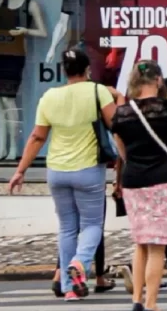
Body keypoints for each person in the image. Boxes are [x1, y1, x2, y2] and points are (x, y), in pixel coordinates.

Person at [9, 48, 122, 302]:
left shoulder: (50, 96)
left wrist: (20, 170)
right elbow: (117, 125)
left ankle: (71, 288)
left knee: (67, 228)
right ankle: (80, 264)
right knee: (92, 224)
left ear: (64, 71)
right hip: (88, 170)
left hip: (57, 171)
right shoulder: (98, 91)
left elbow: (37, 137)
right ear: (87, 70)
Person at [111, 60, 167, 311]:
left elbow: (123, 153)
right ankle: (151, 303)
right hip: (164, 180)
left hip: (134, 181)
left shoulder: (122, 114)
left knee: (140, 242)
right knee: (158, 244)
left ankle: (136, 299)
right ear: (159, 80)